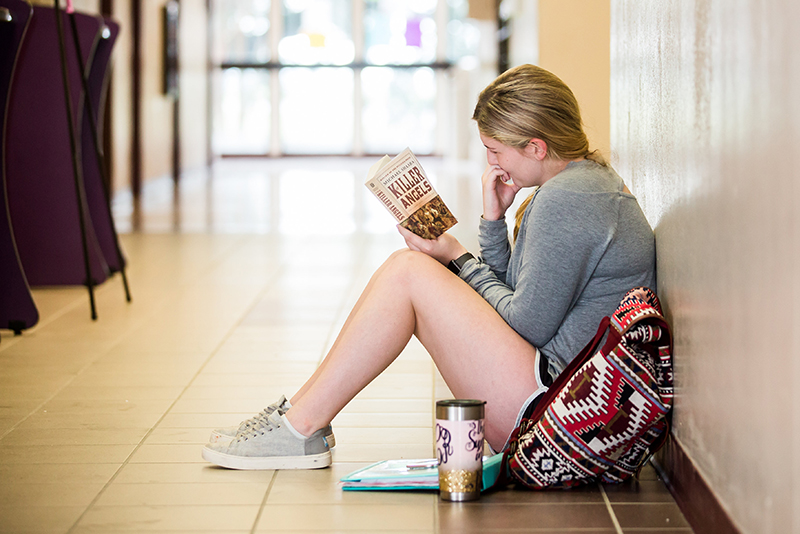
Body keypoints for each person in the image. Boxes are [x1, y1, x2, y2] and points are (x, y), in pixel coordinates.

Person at [202, 64, 656, 470]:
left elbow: (525, 324)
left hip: (553, 412)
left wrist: (457, 257)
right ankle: (301, 420)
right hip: (557, 396)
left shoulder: (570, 199)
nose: (491, 163)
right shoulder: (583, 185)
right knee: (412, 271)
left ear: (536, 147)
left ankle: (299, 426)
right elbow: (515, 296)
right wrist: (493, 223)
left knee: (408, 272)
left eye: (495, 150)